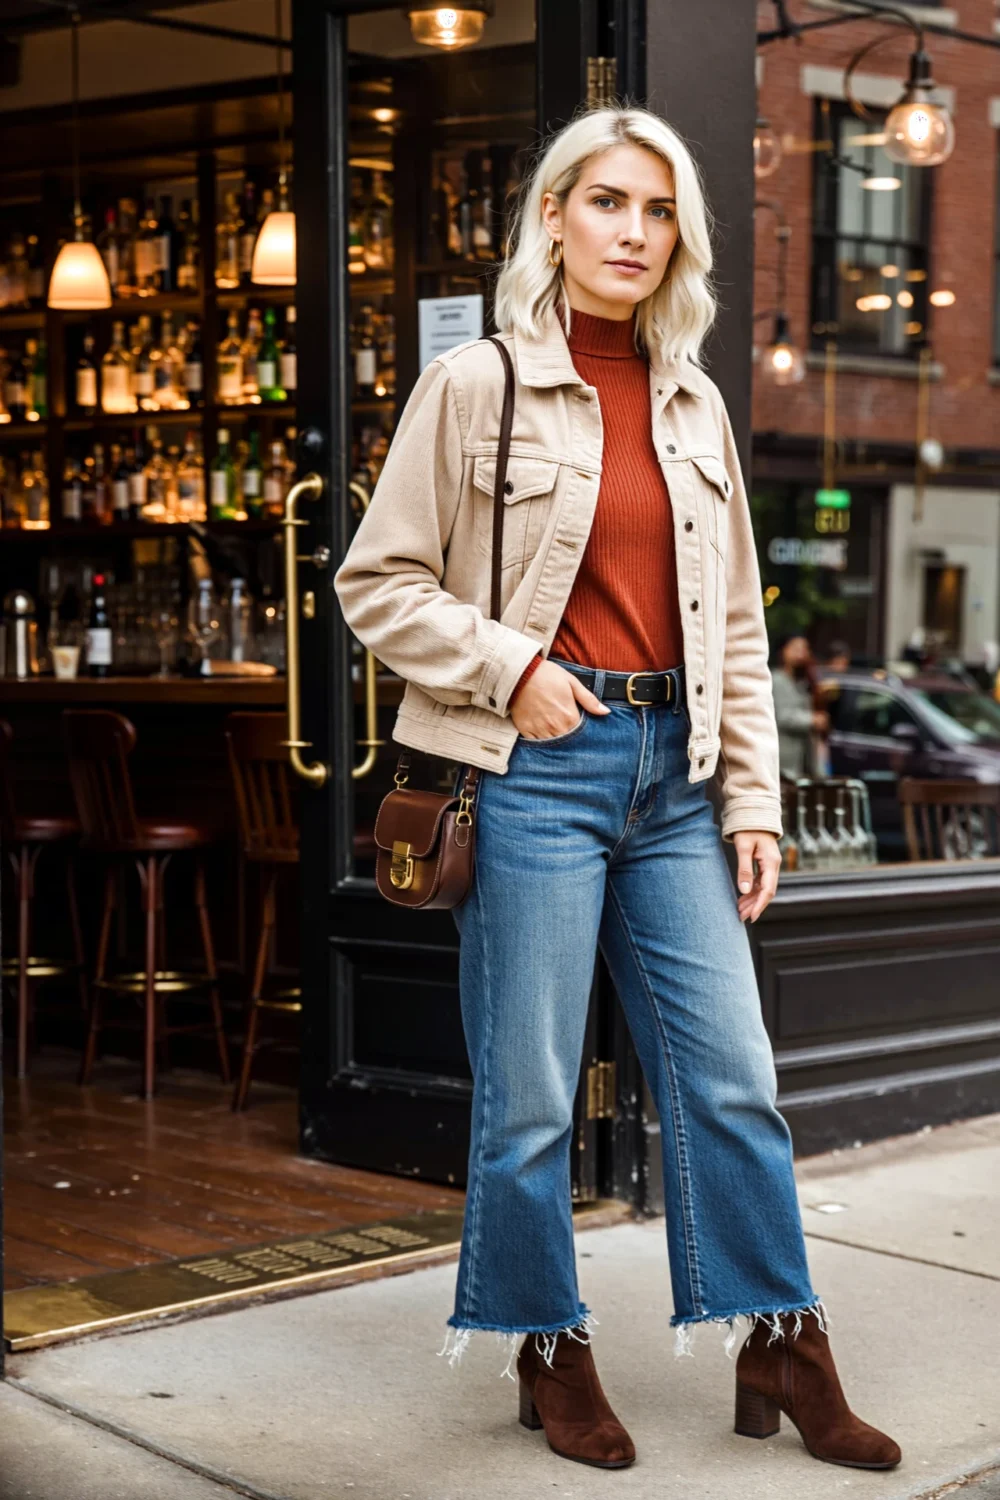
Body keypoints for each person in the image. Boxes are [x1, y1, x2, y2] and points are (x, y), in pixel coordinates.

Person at [333, 104, 899, 1475]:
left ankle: (784, 1340)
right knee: (531, 1091)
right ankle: (547, 1345)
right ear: (553, 217)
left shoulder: (695, 401)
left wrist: (754, 800)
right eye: (606, 202)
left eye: (657, 211)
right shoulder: (476, 385)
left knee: (734, 1079)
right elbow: (376, 584)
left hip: (677, 777)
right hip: (533, 769)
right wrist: (514, 666)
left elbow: (739, 631)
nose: (633, 232)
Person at [772, 633, 829, 780]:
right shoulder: (777, 680)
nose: (801, 654)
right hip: (784, 762)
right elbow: (782, 717)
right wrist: (813, 720)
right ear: (783, 651)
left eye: (804, 649)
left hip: (803, 761)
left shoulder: (803, 681)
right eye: (796, 649)